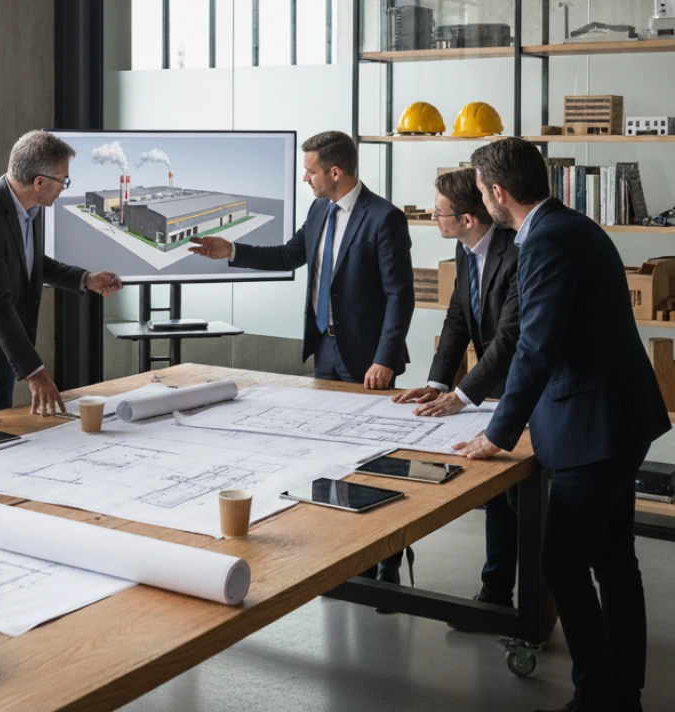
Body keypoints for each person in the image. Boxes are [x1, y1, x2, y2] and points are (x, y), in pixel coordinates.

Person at [453, 137, 670, 712]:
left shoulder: (546, 242)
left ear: (498, 193)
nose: (479, 197)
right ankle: (621, 692)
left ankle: (598, 694)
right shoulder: (568, 226)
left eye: (478, 190)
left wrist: (498, 432)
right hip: (614, 416)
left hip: (591, 426)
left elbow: (535, 348)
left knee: (562, 563)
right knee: (613, 560)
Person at [191, 129, 414, 586]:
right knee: (327, 458)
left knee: (373, 461)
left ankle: (386, 559)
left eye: (310, 171)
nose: (305, 179)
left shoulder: (384, 218)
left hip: (368, 361)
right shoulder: (319, 209)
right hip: (324, 350)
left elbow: (400, 296)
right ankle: (343, 558)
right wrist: (231, 250)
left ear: (335, 172)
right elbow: (291, 255)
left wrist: (385, 358)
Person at [394, 167, 521, 609]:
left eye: (439, 211)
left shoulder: (516, 252)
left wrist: (462, 395)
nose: (433, 216)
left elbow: (509, 337)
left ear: (467, 218)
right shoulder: (466, 252)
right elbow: (456, 322)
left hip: (520, 390)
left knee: (519, 502)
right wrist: (435, 383)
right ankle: (496, 595)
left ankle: (530, 607)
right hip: (490, 389)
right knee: (498, 500)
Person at [0, 130, 122, 416]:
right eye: (63, 180)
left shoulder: (28, 210)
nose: (64, 186)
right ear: (39, 182)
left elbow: (31, 262)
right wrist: (35, 372)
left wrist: (85, 279)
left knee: (1, 443)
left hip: (3, 352)